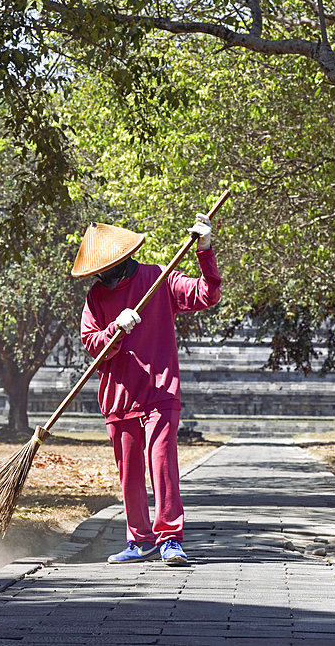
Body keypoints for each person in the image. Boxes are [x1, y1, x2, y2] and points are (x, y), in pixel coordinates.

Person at [71, 211, 221, 565]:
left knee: (162, 465)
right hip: (119, 396)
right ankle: (139, 541)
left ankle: (170, 538)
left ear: (122, 261)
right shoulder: (96, 298)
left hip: (159, 390)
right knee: (130, 476)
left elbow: (206, 294)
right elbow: (91, 343)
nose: (99, 276)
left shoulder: (159, 277)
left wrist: (205, 248)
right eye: (95, 271)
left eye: (104, 269)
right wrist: (114, 330)